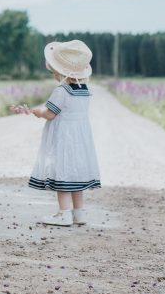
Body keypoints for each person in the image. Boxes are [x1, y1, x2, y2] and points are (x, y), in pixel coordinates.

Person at [11, 40, 101, 226]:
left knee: (63, 171)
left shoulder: (61, 91)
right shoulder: (85, 90)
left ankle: (64, 214)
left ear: (59, 72)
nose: (53, 75)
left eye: (53, 72)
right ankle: (79, 213)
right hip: (81, 138)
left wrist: (36, 112)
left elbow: (50, 114)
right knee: (76, 174)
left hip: (64, 138)